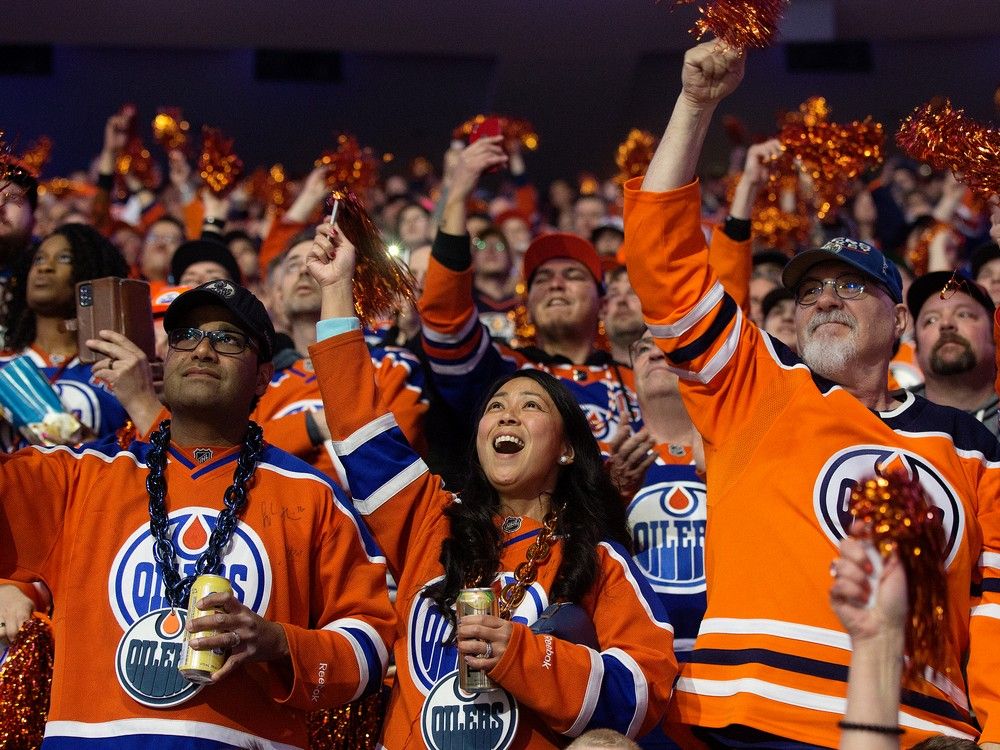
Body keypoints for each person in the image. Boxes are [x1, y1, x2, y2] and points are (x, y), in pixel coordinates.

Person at [624, 39, 1000, 747]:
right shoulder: (757, 384)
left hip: (917, 730)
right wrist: (697, 104)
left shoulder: (967, 442)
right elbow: (660, 263)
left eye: (851, 287)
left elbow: (997, 604)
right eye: (811, 290)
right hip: (744, 722)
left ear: (899, 322)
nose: (824, 299)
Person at [305, 221, 676, 748]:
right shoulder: (431, 520)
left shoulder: (600, 560)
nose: (506, 418)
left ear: (568, 447)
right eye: (495, 408)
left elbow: (645, 689)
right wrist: (337, 288)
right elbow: (357, 428)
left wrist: (521, 654)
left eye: (530, 407)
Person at [0, 278, 395, 748]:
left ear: (264, 375)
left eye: (228, 339)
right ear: (166, 361)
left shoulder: (313, 495)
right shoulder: (78, 477)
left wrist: (277, 643)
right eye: (186, 335)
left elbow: (370, 644)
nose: (203, 349)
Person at [419, 136, 639, 450]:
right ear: (528, 305)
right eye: (543, 278)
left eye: (573, 275)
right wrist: (457, 195)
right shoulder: (504, 370)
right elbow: (446, 323)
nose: (556, 283)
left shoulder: (640, 381)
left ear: (603, 304)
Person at [0, 223, 131, 451]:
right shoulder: (3, 367)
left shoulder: (120, 371)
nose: (45, 268)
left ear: (90, 272)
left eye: (64, 259)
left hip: (93, 483)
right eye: (38, 260)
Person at [905, 271, 997, 436]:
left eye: (963, 314)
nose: (946, 324)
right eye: (931, 320)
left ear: (994, 335)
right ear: (916, 351)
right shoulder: (890, 419)